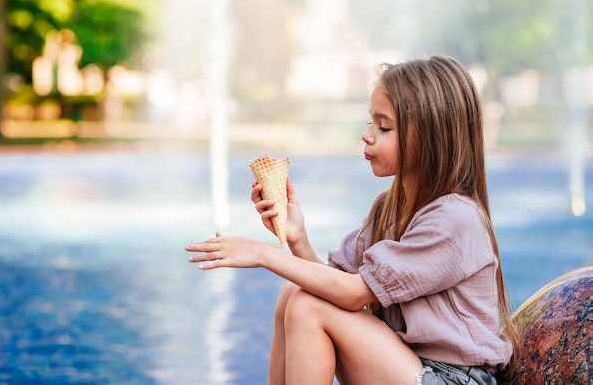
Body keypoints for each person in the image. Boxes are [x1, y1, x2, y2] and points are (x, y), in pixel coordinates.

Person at [186, 55, 519, 385]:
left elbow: (353, 294)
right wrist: (298, 238)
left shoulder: (455, 219)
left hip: (455, 379)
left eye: (384, 127)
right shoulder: (388, 209)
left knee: (307, 308)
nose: (367, 135)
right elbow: (336, 285)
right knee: (295, 293)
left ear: (433, 138)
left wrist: (263, 254)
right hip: (408, 366)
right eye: (370, 122)